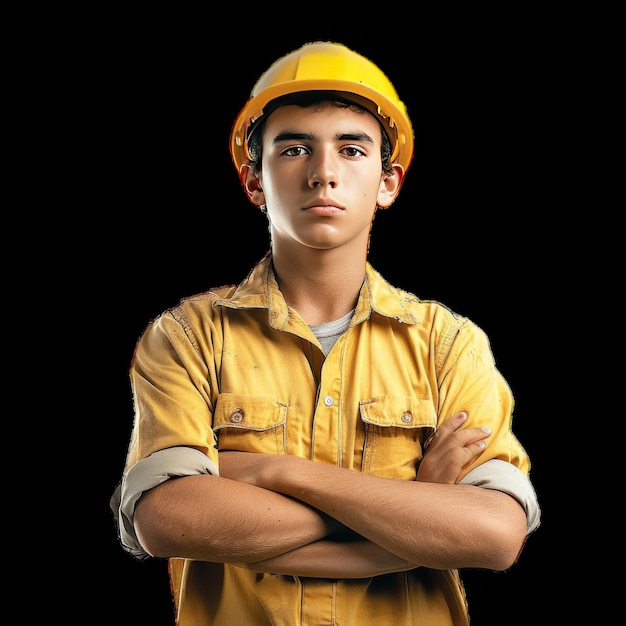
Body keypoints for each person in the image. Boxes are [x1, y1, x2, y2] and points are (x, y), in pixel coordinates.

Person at [110, 40, 541, 626]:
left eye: (352, 149)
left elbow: (493, 535)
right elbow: (167, 519)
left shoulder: (450, 343)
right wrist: (414, 504)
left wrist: (276, 473)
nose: (323, 173)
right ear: (254, 183)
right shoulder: (188, 336)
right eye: (293, 149)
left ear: (388, 183)